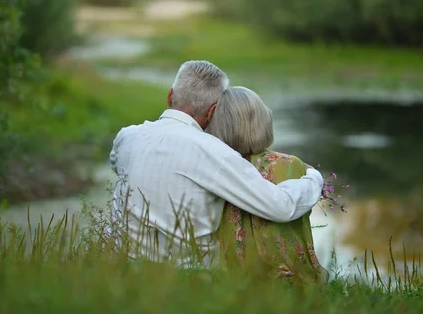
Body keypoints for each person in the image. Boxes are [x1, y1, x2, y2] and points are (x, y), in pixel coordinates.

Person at [109, 60, 324, 268]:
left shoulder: (127, 137)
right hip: (191, 279)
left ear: (170, 95)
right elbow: (280, 206)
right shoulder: (214, 152)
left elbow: (118, 165)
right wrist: (313, 177)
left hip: (123, 269)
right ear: (212, 111)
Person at [205, 86, 327, 283]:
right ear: (262, 121)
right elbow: (299, 217)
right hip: (284, 276)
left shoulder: (211, 165)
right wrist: (313, 175)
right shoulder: (288, 164)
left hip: (227, 275)